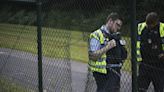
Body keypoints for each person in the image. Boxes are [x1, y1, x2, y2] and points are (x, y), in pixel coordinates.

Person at [88, 12, 127, 92]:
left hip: (115, 71)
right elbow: (92, 55)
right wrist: (107, 47)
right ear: (110, 21)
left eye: (120, 26)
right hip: (102, 72)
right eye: (117, 25)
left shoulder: (116, 36)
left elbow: (123, 55)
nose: (118, 28)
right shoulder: (97, 35)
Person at [137, 12, 164, 92]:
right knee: (141, 88)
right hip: (144, 64)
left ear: (156, 22)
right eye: (147, 24)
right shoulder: (141, 27)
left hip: (158, 65)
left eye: (151, 24)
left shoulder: (162, 28)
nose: (148, 26)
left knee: (159, 88)